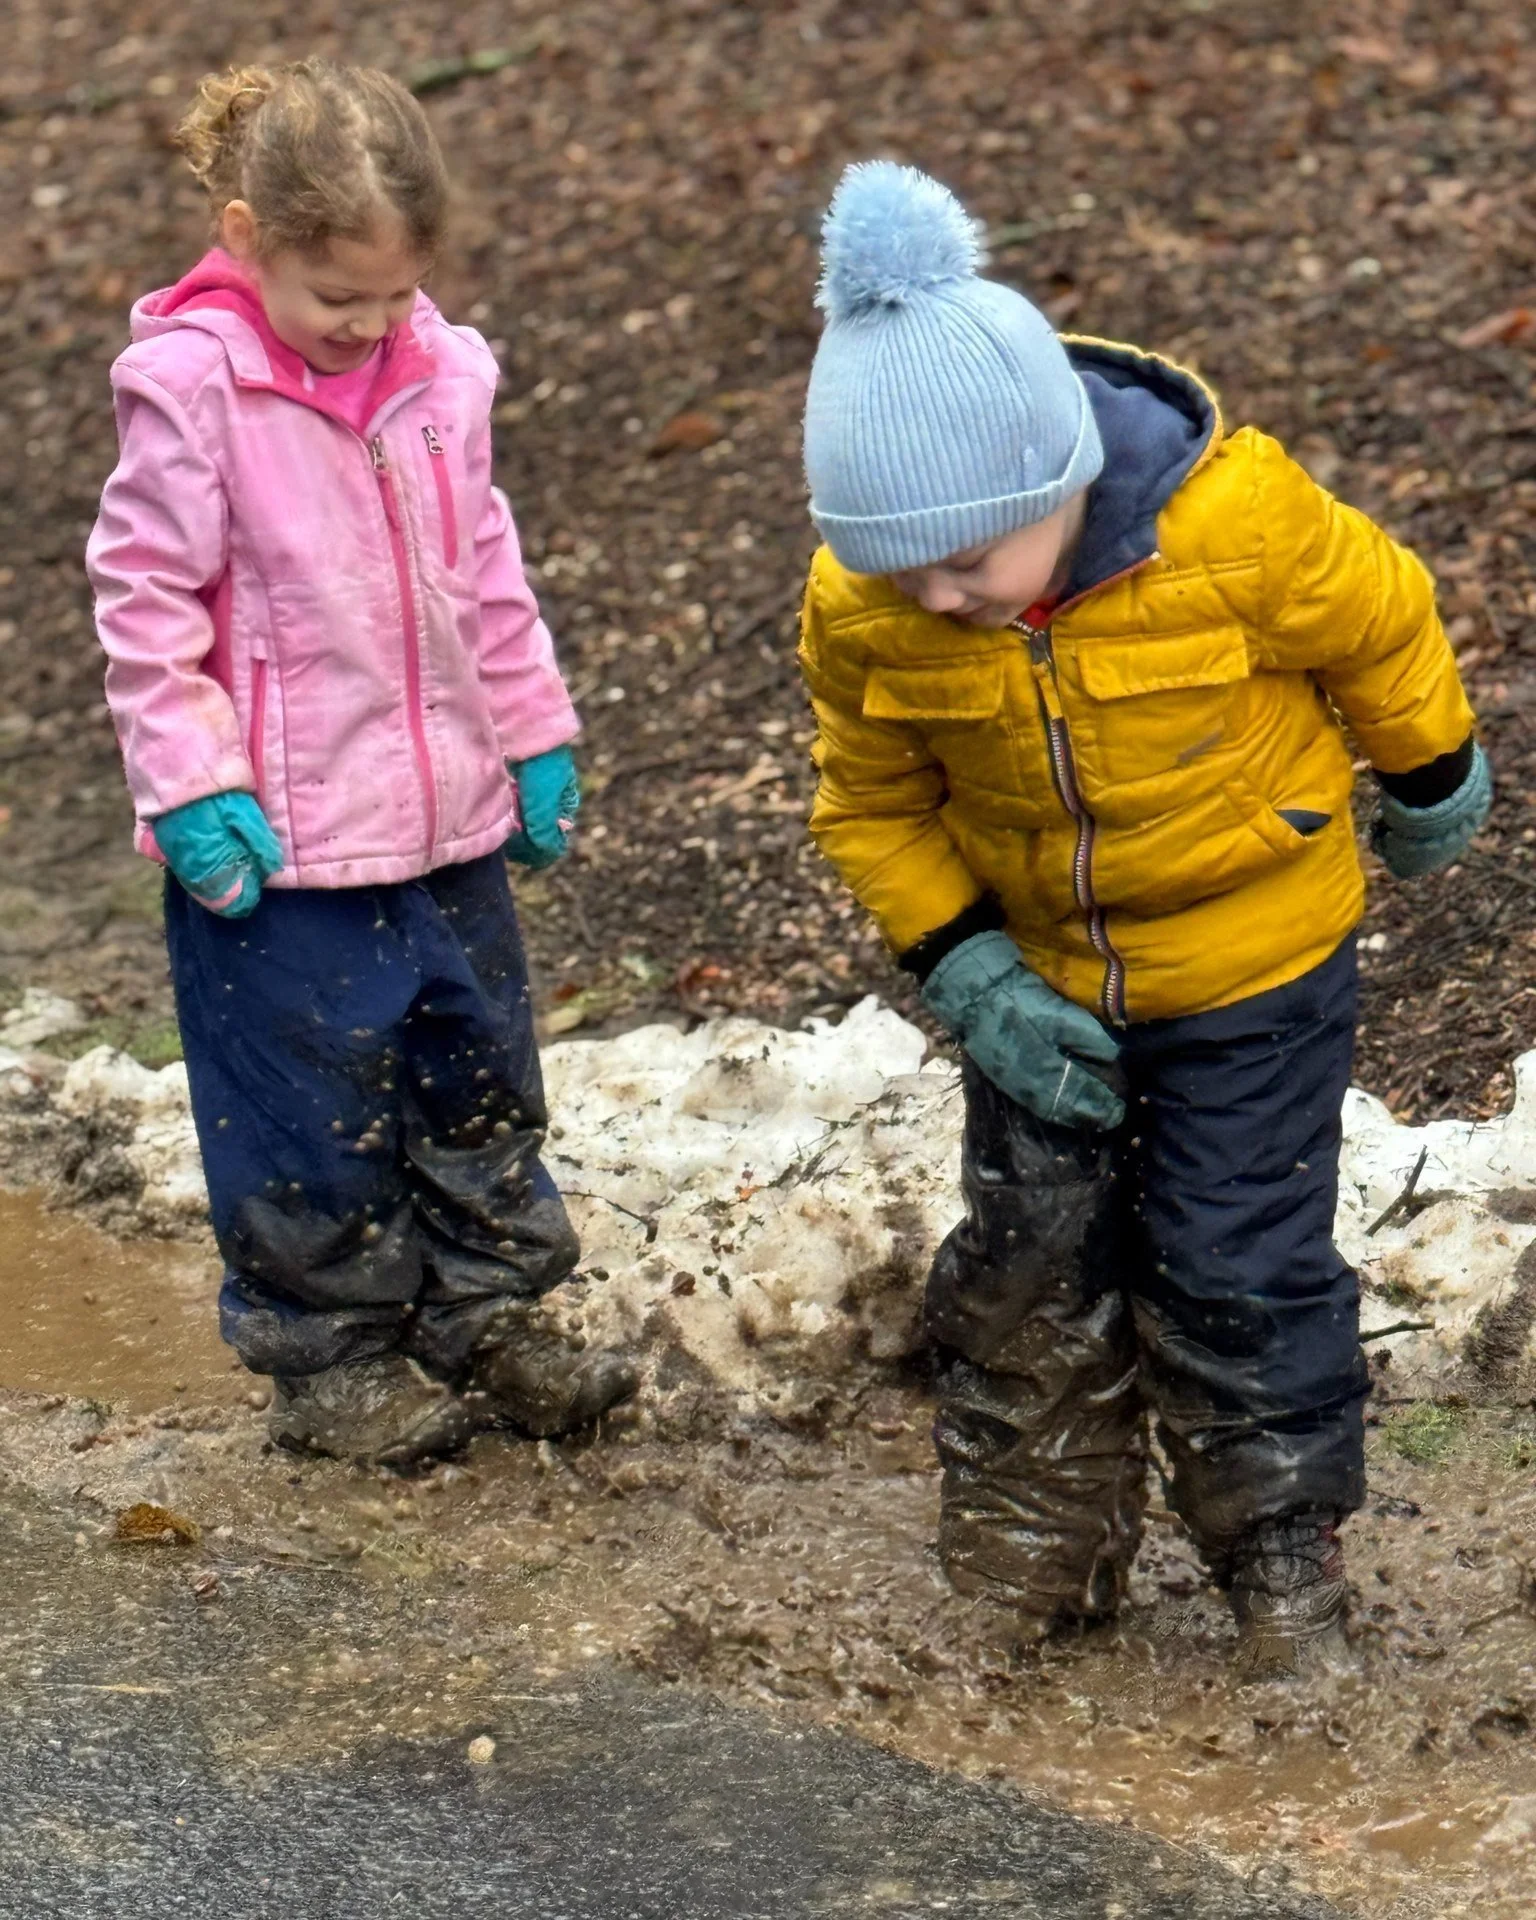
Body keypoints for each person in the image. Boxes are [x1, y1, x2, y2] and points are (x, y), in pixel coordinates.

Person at [797, 162, 1490, 1675]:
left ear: (1058, 483)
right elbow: (869, 801)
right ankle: (1033, 1553)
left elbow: (1380, 616)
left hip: (1259, 956)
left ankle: (1275, 1552)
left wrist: (1429, 766)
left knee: (1232, 1255)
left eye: (971, 561)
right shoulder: (872, 605)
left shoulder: (1228, 524)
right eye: (897, 571)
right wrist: (968, 971)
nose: (941, 596)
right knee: (1033, 1259)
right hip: (1044, 989)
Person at [86, 59, 633, 1469]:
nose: (368, 329)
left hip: (445, 813)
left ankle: (491, 1314)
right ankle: (330, 1357)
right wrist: (190, 781)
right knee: (305, 1108)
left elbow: (484, 565)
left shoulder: (442, 371)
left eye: (393, 297)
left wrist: (532, 731)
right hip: (282, 842)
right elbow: (144, 600)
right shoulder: (192, 387)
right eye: (339, 301)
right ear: (247, 234)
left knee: (479, 1073)